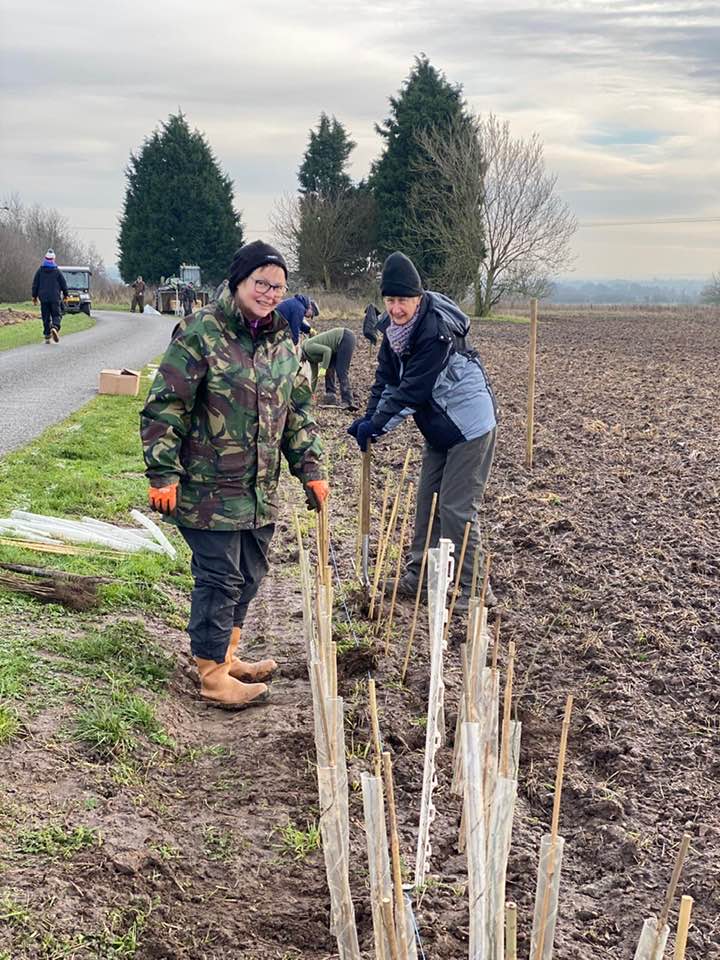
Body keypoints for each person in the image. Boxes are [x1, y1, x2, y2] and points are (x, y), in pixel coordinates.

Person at [140, 240, 328, 710]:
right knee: (219, 578)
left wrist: (311, 469)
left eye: (277, 286)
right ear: (239, 281)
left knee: (249, 574)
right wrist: (163, 472)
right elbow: (168, 404)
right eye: (260, 282)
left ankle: (226, 653)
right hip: (207, 490)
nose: (268, 292)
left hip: (259, 491)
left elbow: (297, 413)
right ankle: (211, 674)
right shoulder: (201, 331)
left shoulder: (285, 340)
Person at [348, 251, 498, 609]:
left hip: (469, 426)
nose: (396, 308)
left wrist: (377, 427)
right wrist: (367, 421)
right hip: (439, 427)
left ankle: (476, 590)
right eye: (390, 300)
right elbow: (385, 380)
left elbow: (412, 391)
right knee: (427, 503)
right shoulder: (393, 330)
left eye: (403, 300)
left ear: (418, 297)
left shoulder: (435, 333)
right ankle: (420, 577)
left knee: (455, 508)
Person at [301, 327, 359, 410]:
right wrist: (311, 393)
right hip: (334, 348)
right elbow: (314, 375)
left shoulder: (308, 347)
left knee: (341, 371)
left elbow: (327, 351)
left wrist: (323, 368)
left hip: (345, 338)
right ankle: (330, 396)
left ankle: (348, 400)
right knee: (329, 369)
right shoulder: (309, 357)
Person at [31, 249, 68, 344]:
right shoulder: (57, 271)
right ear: (53, 259)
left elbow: (35, 284)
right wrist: (66, 295)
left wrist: (34, 296)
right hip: (55, 297)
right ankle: (55, 327)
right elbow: (63, 284)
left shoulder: (40, 271)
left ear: (45, 259)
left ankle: (47, 335)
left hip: (43, 298)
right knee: (56, 315)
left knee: (45, 316)